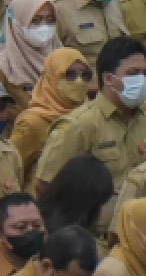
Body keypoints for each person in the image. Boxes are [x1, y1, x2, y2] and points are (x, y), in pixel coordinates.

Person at [36, 37, 146, 236]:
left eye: (144, 73)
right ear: (108, 79)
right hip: (96, 241)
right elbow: (46, 186)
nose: (141, 80)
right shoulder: (79, 125)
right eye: (132, 74)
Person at [9, 49, 90, 178]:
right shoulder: (32, 123)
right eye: (70, 75)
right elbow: (13, 169)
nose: (79, 81)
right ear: (52, 78)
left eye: (85, 75)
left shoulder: (90, 115)